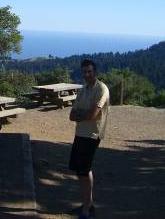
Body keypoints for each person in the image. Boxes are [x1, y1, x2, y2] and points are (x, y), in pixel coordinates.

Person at [68, 59, 110, 219]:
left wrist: (82, 115)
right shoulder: (83, 90)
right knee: (80, 171)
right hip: (80, 134)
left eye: (89, 72)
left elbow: (93, 115)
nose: (86, 75)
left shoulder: (102, 89)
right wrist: (83, 115)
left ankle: (86, 210)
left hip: (92, 135)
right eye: (84, 72)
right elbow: (72, 116)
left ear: (95, 72)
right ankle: (88, 204)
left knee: (84, 171)